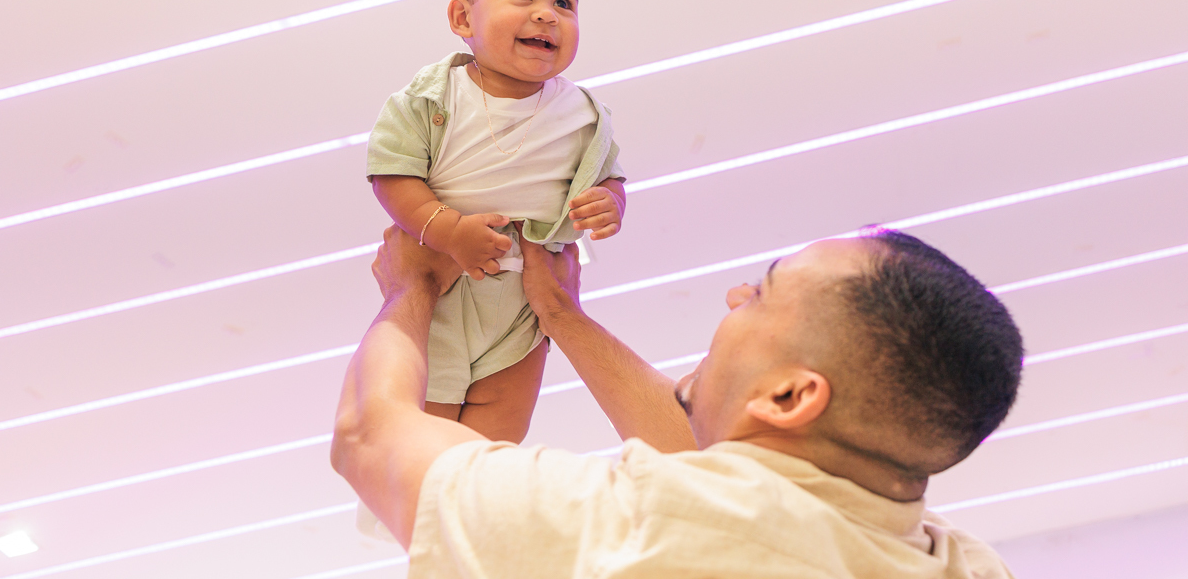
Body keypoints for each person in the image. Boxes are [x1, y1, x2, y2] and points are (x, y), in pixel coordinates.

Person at [331, 224, 1024, 577]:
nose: (735, 294)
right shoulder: (964, 565)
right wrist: (562, 316)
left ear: (789, 395)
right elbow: (740, 482)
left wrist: (411, 287)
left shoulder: (636, 529)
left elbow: (370, 435)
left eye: (761, 294)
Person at [364, 0, 626, 443]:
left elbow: (610, 177)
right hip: (442, 285)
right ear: (463, 17)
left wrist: (610, 203)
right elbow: (392, 172)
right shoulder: (433, 98)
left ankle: (484, 488)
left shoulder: (581, 115)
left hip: (524, 301)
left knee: (498, 435)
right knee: (425, 432)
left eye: (564, 2)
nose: (546, 14)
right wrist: (447, 230)